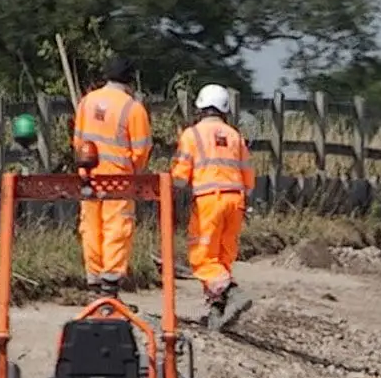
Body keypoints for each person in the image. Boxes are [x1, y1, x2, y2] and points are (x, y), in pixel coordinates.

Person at [172, 83, 256, 324]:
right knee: (223, 257)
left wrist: (168, 188)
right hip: (236, 201)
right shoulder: (234, 136)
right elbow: (248, 176)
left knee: (203, 257)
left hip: (210, 202)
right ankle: (218, 311)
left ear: (200, 108)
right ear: (224, 110)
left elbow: (180, 176)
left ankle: (232, 293)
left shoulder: (192, 134)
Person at [71, 55, 153, 293]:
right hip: (119, 180)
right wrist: (133, 174)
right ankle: (110, 284)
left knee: (90, 228)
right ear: (130, 80)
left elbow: (78, 142)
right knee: (116, 228)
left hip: (88, 178)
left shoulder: (86, 102)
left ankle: (93, 281)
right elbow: (141, 150)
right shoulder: (133, 108)